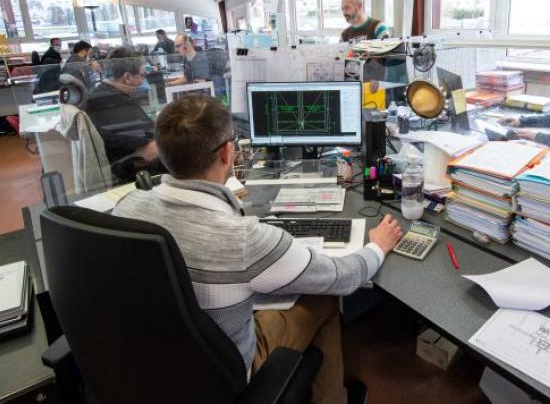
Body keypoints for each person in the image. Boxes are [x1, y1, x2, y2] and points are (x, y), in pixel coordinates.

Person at [113, 95, 403, 404]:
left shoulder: (127, 207)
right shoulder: (245, 238)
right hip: (223, 376)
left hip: (149, 365)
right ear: (227, 153)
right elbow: (341, 278)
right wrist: (377, 246)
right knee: (324, 296)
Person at [84, 47, 161, 183]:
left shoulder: (102, 94)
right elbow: (150, 152)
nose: (144, 80)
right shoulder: (115, 105)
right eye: (142, 75)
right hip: (134, 174)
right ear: (127, 77)